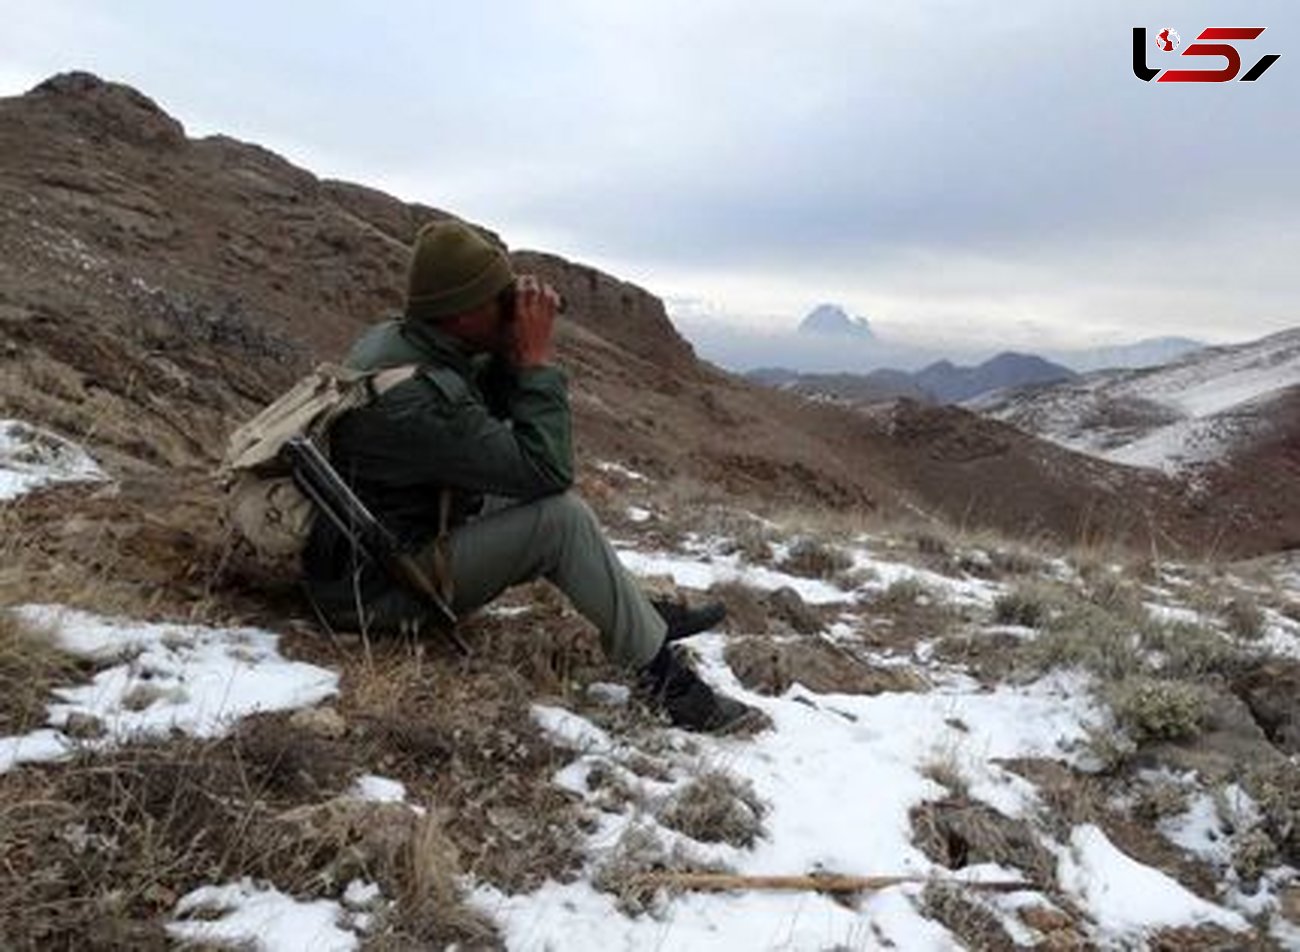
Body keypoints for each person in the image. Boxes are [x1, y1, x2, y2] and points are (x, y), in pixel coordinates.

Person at [302, 218, 760, 733]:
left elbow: (478, 411)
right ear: (458, 315)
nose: (508, 305)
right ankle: (668, 685)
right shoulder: (415, 401)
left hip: (389, 538)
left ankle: (640, 618)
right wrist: (536, 362)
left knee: (545, 509)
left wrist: (501, 346)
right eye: (494, 299)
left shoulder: (405, 341)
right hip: (378, 591)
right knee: (559, 519)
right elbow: (546, 468)